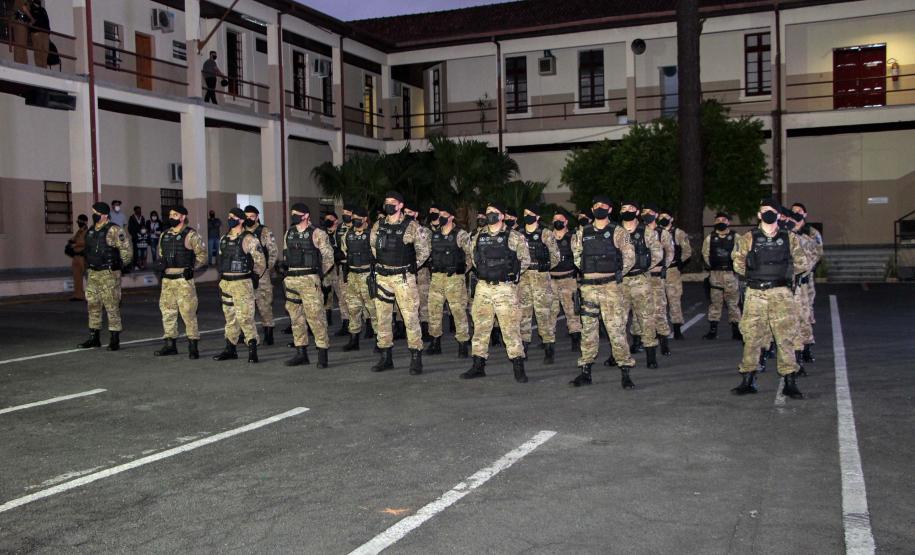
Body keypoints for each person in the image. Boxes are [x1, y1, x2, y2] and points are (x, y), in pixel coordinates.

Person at [730, 199, 810, 399]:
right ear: (759, 215)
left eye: (772, 210)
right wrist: (756, 273)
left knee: (785, 337)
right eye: (764, 210)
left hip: (781, 293)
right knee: (752, 337)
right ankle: (748, 380)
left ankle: (790, 382)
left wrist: (784, 274)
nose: (768, 213)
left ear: (778, 214)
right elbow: (737, 264)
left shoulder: (789, 238)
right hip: (755, 293)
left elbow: (802, 263)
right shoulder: (748, 238)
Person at [567, 195, 638, 388]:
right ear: (592, 210)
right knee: (588, 331)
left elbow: (629, 257)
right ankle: (586, 372)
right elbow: (577, 256)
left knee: (616, 330)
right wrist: (589, 270)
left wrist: (616, 273)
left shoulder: (618, 232)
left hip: (610, 288)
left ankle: (625, 371)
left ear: (610, 209)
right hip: (588, 288)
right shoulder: (582, 232)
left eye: (603, 205)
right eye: (596, 205)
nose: (599, 208)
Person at [461, 202, 531, 383]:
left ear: (502, 216)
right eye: (488, 212)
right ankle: (478, 365)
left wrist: (508, 273)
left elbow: (525, 260)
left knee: (510, 328)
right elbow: (474, 258)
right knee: (480, 327)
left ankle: (518, 366)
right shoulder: (478, 236)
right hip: (483, 287)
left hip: (504, 288)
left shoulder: (514, 236)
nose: (490, 214)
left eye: (494, 212)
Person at [369, 191, 431, 374]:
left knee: (410, 318)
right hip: (383, 277)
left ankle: (416, 358)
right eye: (386, 201)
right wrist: (383, 263)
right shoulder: (379, 224)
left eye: (392, 202)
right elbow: (373, 246)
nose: (388, 204)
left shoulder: (412, 226)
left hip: (403, 278)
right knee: (383, 318)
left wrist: (411, 266)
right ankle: (386, 357)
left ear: (400, 205)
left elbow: (424, 251)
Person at [277, 203, 335, 367]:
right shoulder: (289, 233)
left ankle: (322, 353)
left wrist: (318, 274)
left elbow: (329, 257)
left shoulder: (317, 233)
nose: (293, 215)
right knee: (296, 318)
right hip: (292, 280)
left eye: (297, 213)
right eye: (292, 213)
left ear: (306, 215)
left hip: (309, 280)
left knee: (316, 317)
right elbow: (286, 254)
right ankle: (301, 353)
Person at [76, 202, 133, 351]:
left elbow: (126, 250)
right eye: (93, 212)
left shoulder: (114, 230)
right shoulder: (91, 230)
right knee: (93, 305)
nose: (94, 215)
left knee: (111, 305)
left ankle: (114, 339)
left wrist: (120, 267)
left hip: (109, 274)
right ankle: (94, 337)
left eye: (96, 213)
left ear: (105, 215)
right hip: (93, 273)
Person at [153, 206, 207, 359]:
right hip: (167, 280)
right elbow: (161, 254)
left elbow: (202, 255)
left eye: (175, 215)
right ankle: (170, 345)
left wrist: (192, 268)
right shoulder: (164, 235)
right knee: (167, 313)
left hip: (183, 280)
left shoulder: (191, 235)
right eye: (170, 214)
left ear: (183, 217)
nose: (171, 217)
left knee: (188, 313)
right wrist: (160, 267)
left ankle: (193, 346)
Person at [213, 208, 266, 363]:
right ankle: (230, 349)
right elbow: (221, 260)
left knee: (245, 318)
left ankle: (252, 349)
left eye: (233, 217)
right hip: (226, 283)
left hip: (242, 282)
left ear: (241, 220)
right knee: (230, 318)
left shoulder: (249, 239)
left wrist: (254, 276)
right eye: (229, 216)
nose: (230, 219)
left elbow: (260, 261)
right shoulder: (224, 239)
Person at [619, 200, 663, 368]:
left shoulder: (646, 231)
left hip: (640, 280)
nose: (627, 211)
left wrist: (644, 266)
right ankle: (618, 354)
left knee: (646, 319)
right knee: (618, 320)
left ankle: (651, 355)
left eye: (631, 208)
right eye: (624, 208)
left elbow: (657, 253)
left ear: (637, 212)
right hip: (620, 282)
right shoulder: (615, 231)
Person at [425, 204, 472, 358]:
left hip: (454, 279)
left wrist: (462, 270)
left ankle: (463, 343)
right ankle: (435, 341)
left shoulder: (460, 234)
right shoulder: (434, 235)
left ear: (451, 217)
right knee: (434, 310)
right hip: (437, 278)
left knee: (458, 311)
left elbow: (471, 255)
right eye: (440, 215)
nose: (440, 217)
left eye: (444, 215)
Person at [630, 204, 674, 357]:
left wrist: (662, 267)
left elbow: (669, 252)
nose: (646, 214)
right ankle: (637, 341)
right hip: (640, 276)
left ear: (656, 215)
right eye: (644, 211)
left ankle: (664, 342)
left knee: (659, 310)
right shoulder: (637, 231)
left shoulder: (662, 233)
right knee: (637, 311)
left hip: (655, 277)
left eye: (650, 212)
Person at [519, 204, 560, 363]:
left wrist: (545, 265)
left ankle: (549, 349)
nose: (527, 216)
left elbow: (555, 256)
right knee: (523, 315)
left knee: (544, 315)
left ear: (537, 217)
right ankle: (523, 348)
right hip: (523, 278)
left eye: (530, 213)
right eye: (525, 213)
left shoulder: (546, 234)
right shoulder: (518, 234)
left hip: (541, 278)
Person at [340, 205, 377, 351]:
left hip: (368, 275)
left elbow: (377, 254)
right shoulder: (347, 235)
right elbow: (345, 251)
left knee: (373, 309)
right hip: (352, 276)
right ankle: (354, 340)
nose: (354, 220)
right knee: (353, 309)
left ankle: (380, 341)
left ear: (365, 219)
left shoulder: (372, 234)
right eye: (353, 218)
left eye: (358, 218)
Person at [701, 212, 742, 340]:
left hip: (730, 274)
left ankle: (736, 330)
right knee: (715, 303)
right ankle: (713, 330)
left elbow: (741, 253)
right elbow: (705, 254)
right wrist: (713, 266)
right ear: (714, 222)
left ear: (728, 222)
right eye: (718, 220)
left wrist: (736, 268)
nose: (721, 222)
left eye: (724, 220)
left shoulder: (736, 237)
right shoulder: (710, 238)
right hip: (715, 275)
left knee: (733, 303)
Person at [792, 202, 822, 360]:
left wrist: (806, 270)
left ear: (805, 214)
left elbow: (818, 253)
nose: (796, 213)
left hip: (805, 278)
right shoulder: (787, 231)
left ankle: (807, 346)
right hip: (790, 279)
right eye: (793, 211)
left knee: (806, 311)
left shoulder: (811, 232)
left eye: (799, 211)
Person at [244, 205, 278, 345]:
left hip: (261, 274)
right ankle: (245, 334)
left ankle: (268, 333)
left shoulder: (264, 231)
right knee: (245, 306)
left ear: (257, 217)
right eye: (246, 216)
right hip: (245, 274)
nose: (249, 219)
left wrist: (266, 270)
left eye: (252, 216)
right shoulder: (241, 231)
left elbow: (273, 252)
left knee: (264, 305)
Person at [550, 210, 582, 350]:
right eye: (555, 219)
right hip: (550, 281)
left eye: (560, 219)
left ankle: (576, 338)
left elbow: (579, 256)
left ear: (566, 222)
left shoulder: (572, 237)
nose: (557, 221)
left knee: (572, 311)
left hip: (568, 279)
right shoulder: (548, 237)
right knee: (550, 311)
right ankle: (548, 341)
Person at [659, 211, 692, 339]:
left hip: (672, 271)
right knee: (658, 301)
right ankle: (660, 329)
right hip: (657, 271)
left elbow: (687, 251)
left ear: (671, 219)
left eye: (666, 217)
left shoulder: (678, 233)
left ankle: (677, 328)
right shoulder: (654, 232)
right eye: (661, 217)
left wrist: (679, 263)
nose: (663, 219)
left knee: (674, 300)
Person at [322, 212, 350, 335]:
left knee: (342, 297)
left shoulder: (341, 232)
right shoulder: (322, 233)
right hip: (326, 270)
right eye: (326, 219)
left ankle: (346, 323)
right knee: (325, 296)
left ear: (336, 220)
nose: (328, 221)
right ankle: (326, 319)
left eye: (331, 219)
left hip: (338, 269)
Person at [66, 214, 89, 301]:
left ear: (85, 222)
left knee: (89, 277)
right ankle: (78, 295)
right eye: (78, 221)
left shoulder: (87, 232)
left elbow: (86, 242)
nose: (79, 223)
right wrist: (70, 242)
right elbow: (74, 239)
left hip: (83, 257)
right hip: (76, 256)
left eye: (81, 221)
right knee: (77, 277)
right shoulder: (79, 231)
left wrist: (76, 244)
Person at [28, 0, 50, 68]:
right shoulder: (31, 9)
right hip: (36, 33)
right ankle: (39, 68)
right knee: (38, 51)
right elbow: (29, 22)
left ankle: (44, 68)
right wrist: (34, 30)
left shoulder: (42, 9)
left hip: (45, 33)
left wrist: (48, 31)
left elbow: (47, 20)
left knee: (45, 51)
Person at [10, 0, 32, 65]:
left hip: (22, 24)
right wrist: (32, 19)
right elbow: (24, 9)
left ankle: (23, 65)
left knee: (22, 46)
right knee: (20, 46)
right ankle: (20, 65)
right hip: (20, 23)